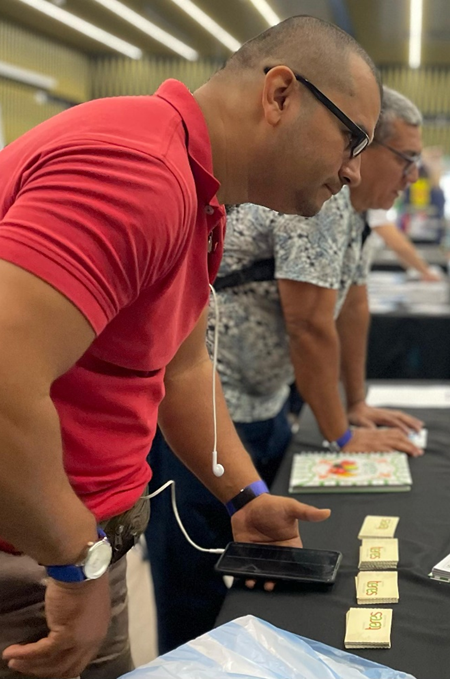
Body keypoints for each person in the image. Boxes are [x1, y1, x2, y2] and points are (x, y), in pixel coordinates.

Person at [0, 16, 381, 679]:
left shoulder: (193, 191)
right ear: (279, 94)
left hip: (64, 553)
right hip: (27, 563)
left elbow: (180, 365)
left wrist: (243, 496)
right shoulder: (137, 171)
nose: (352, 171)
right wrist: (74, 561)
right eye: (351, 138)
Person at [145, 86, 426, 652]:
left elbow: (353, 309)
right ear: (363, 148)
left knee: (264, 587)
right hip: (203, 423)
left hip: (264, 406)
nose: (412, 177)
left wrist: (356, 402)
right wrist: (341, 434)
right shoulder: (322, 206)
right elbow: (309, 325)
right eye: (406, 160)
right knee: (200, 602)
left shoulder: (358, 217)